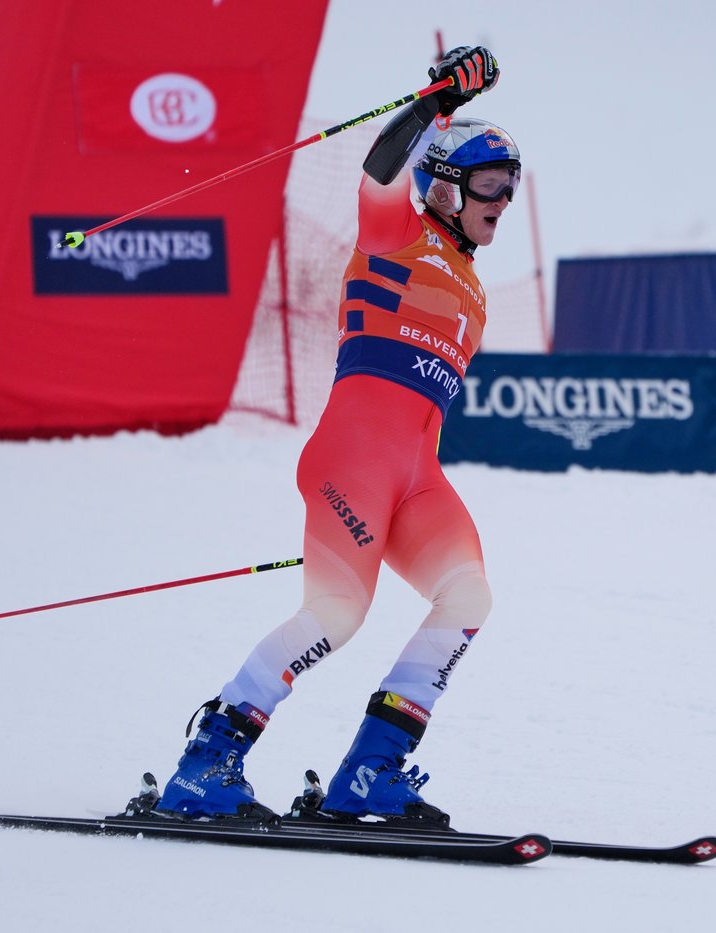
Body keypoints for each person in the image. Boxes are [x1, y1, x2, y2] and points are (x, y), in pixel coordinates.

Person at [153, 46, 517, 827]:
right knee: (337, 616)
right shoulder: (394, 232)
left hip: (419, 476)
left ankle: (368, 774)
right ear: (446, 185)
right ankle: (204, 764)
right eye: (489, 182)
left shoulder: (475, 286)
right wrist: (434, 104)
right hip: (351, 460)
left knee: (468, 595)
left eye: (511, 185)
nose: (504, 198)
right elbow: (384, 168)